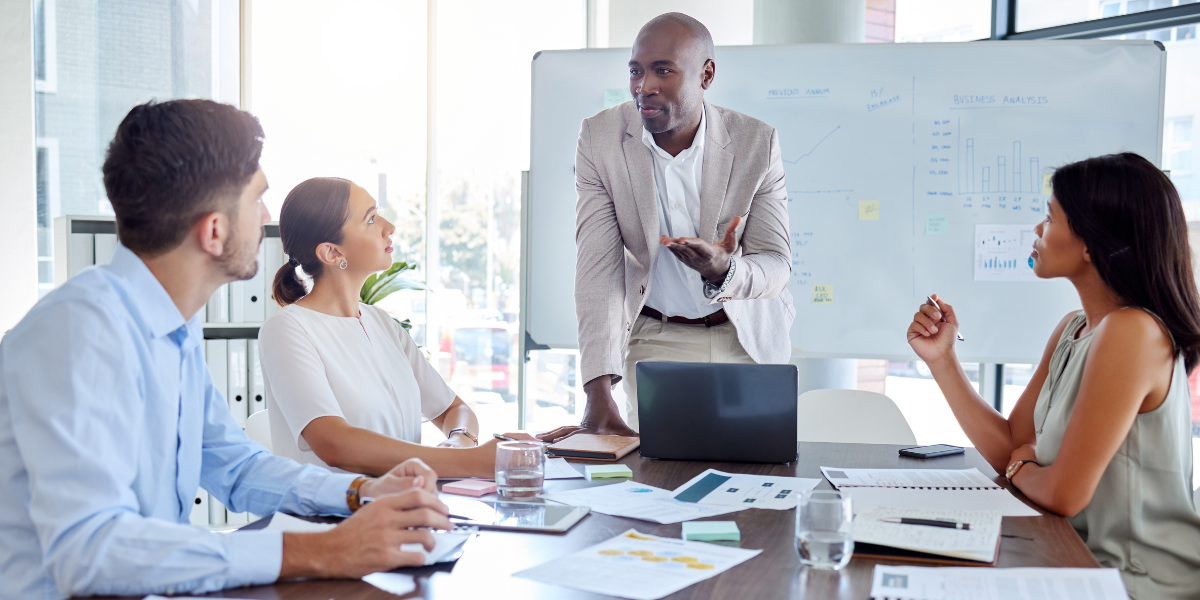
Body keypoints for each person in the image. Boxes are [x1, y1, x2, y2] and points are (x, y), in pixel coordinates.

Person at [0, 99, 454, 600]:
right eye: (257, 198)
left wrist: (360, 492)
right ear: (214, 230)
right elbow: (91, 552)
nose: (265, 216)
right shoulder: (79, 333)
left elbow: (235, 467)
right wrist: (324, 551)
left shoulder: (173, 329)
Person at [907, 153, 1200, 599]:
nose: (1038, 231)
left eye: (1050, 218)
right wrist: (943, 360)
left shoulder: (1133, 331)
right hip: (1069, 558)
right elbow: (1009, 443)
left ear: (1090, 243)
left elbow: (1064, 493)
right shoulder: (1073, 328)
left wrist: (1023, 464)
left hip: (1133, 582)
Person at [540, 13, 793, 442]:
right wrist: (597, 387)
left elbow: (776, 264)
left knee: (755, 477)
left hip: (747, 339)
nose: (645, 86)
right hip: (659, 338)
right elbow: (598, 268)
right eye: (636, 71)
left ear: (706, 75)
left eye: (663, 70)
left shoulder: (756, 142)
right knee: (660, 483)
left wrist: (723, 271)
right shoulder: (600, 139)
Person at [258, 177, 533, 479]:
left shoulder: (382, 324)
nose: (389, 227)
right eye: (371, 219)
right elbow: (334, 444)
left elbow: (453, 409)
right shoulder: (287, 330)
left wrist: (458, 442)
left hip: (403, 511)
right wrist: (473, 461)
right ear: (333, 253)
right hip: (333, 519)